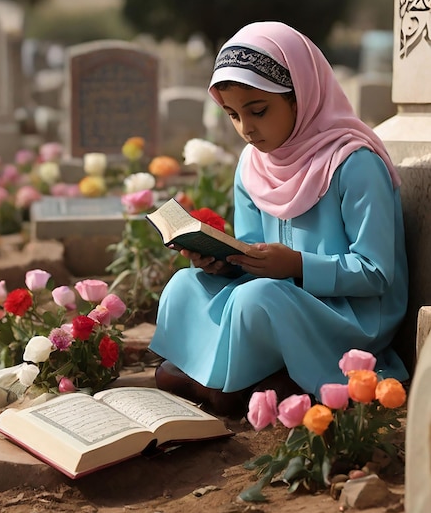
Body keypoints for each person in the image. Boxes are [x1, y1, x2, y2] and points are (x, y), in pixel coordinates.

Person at [149, 21, 409, 416]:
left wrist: (296, 266)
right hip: (277, 297)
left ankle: (225, 382)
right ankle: (245, 382)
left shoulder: (354, 164)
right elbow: (252, 251)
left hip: (347, 317)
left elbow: (375, 273)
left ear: (299, 97)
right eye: (233, 115)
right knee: (187, 284)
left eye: (258, 110)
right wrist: (223, 261)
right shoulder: (253, 164)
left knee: (259, 298)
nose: (247, 129)